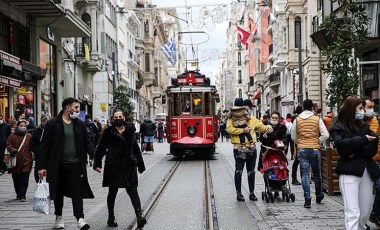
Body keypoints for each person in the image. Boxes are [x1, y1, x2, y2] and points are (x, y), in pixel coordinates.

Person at [38, 97, 95, 230]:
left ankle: (80, 219)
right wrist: (41, 166)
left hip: (75, 165)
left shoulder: (79, 124)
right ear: (67, 108)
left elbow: (87, 143)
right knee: (58, 192)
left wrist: (96, 156)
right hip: (58, 165)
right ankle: (58, 217)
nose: (78, 111)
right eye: (76, 108)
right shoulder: (53, 124)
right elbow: (44, 146)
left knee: (77, 192)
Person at [330, 96, 379, 230]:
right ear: (352, 110)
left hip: (366, 171)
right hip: (349, 171)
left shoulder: (364, 126)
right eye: (360, 108)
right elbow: (342, 147)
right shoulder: (338, 128)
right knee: (353, 211)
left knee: (365, 211)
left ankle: (361, 227)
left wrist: (354, 149)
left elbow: (373, 144)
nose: (363, 111)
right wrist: (363, 140)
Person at [94, 109, 146, 228]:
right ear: (113, 119)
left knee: (133, 191)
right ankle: (111, 217)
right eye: (116, 117)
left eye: (120, 116)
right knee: (112, 192)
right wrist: (97, 163)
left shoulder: (130, 130)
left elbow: (136, 148)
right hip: (114, 166)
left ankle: (139, 216)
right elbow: (101, 148)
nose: (118, 119)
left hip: (128, 166)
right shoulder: (108, 132)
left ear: (124, 117)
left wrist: (140, 165)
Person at [226, 100, 273, 202]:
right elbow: (229, 129)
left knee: (251, 171)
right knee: (239, 170)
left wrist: (268, 128)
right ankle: (239, 193)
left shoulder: (252, 119)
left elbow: (262, 128)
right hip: (239, 147)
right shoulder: (232, 118)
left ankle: (251, 193)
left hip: (251, 148)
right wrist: (243, 130)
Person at [291, 99, 329, 208]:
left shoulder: (297, 120)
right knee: (317, 173)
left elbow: (293, 136)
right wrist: (317, 141)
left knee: (304, 174)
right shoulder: (317, 119)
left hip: (302, 148)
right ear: (312, 107)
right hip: (315, 149)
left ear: (303, 107)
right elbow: (325, 134)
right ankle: (319, 194)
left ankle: (307, 198)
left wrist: (300, 142)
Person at [6, 119, 32, 201]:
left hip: (27, 161)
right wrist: (13, 150)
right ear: (17, 126)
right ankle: (18, 193)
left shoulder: (28, 136)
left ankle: (23, 195)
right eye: (21, 126)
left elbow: (33, 146)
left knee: (25, 178)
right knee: (16, 178)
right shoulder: (12, 136)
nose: (23, 127)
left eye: (24, 126)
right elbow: (8, 145)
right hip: (16, 161)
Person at [30, 116, 48, 183]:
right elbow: (32, 144)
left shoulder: (51, 130)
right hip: (38, 156)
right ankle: (39, 183)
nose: (45, 122)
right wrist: (37, 150)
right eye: (44, 121)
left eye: (46, 121)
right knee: (37, 172)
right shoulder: (36, 131)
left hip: (48, 157)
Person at [291, 106, 303, 185]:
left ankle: (296, 178)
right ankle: (294, 178)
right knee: (298, 161)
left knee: (298, 161)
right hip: (299, 142)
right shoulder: (298, 119)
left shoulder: (295, 119)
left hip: (297, 142)